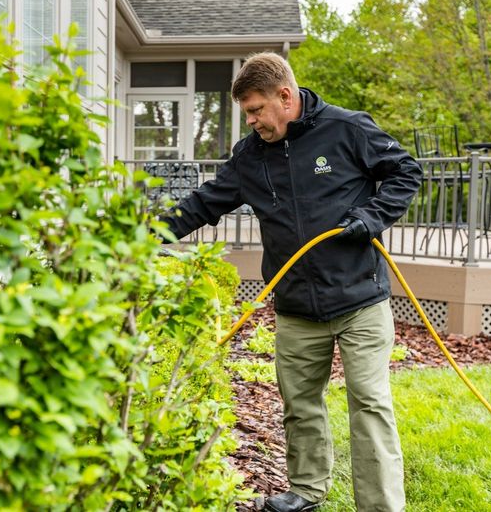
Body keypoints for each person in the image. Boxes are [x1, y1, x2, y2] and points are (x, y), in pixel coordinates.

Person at [160, 52, 422, 512]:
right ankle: (306, 490)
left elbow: (406, 172)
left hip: (360, 298)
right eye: (247, 113)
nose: (252, 121)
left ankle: (381, 507)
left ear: (285, 96)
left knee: (370, 405)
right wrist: (143, 236)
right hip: (297, 306)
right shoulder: (250, 157)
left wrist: (371, 217)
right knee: (300, 405)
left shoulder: (347, 129)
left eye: (256, 110)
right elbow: (203, 204)